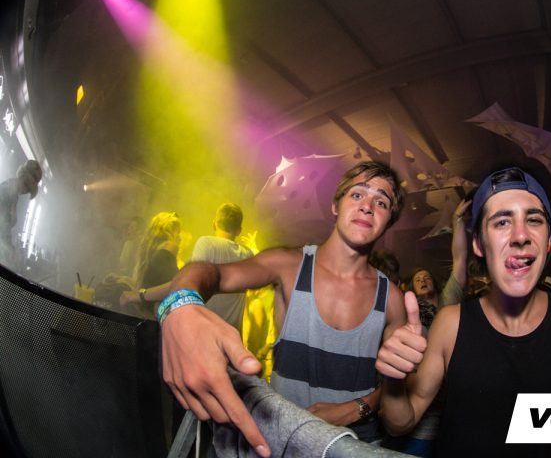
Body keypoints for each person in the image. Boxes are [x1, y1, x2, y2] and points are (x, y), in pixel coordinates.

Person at [375, 166, 551, 457]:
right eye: (502, 222)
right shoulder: (451, 323)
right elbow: (400, 424)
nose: (520, 235)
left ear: (549, 241)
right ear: (479, 244)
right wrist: (394, 380)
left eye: (534, 219)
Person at [160, 161, 406, 456]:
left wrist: (357, 408)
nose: (367, 206)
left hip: (356, 447)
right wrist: (181, 305)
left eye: (381, 202)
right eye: (357, 194)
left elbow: (397, 388)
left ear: (388, 220)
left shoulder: (392, 299)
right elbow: (210, 273)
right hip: (282, 444)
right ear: (335, 206)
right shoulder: (288, 265)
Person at [190, 202, 254, 331]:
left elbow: (191, 286)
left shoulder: (206, 243)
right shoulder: (248, 255)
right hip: (232, 336)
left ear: (214, 224)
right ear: (239, 231)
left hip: (204, 332)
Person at [132, 211, 182, 318]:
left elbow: (148, 283)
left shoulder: (149, 252)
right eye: (178, 233)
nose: (180, 238)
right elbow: (174, 287)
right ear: (169, 232)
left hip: (144, 312)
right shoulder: (170, 246)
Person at [0, 160, 42, 267]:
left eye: (28, 190)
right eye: (26, 185)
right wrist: (10, 250)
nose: (25, 190)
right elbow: (2, 229)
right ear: (21, 175)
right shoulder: (6, 191)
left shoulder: (14, 196)